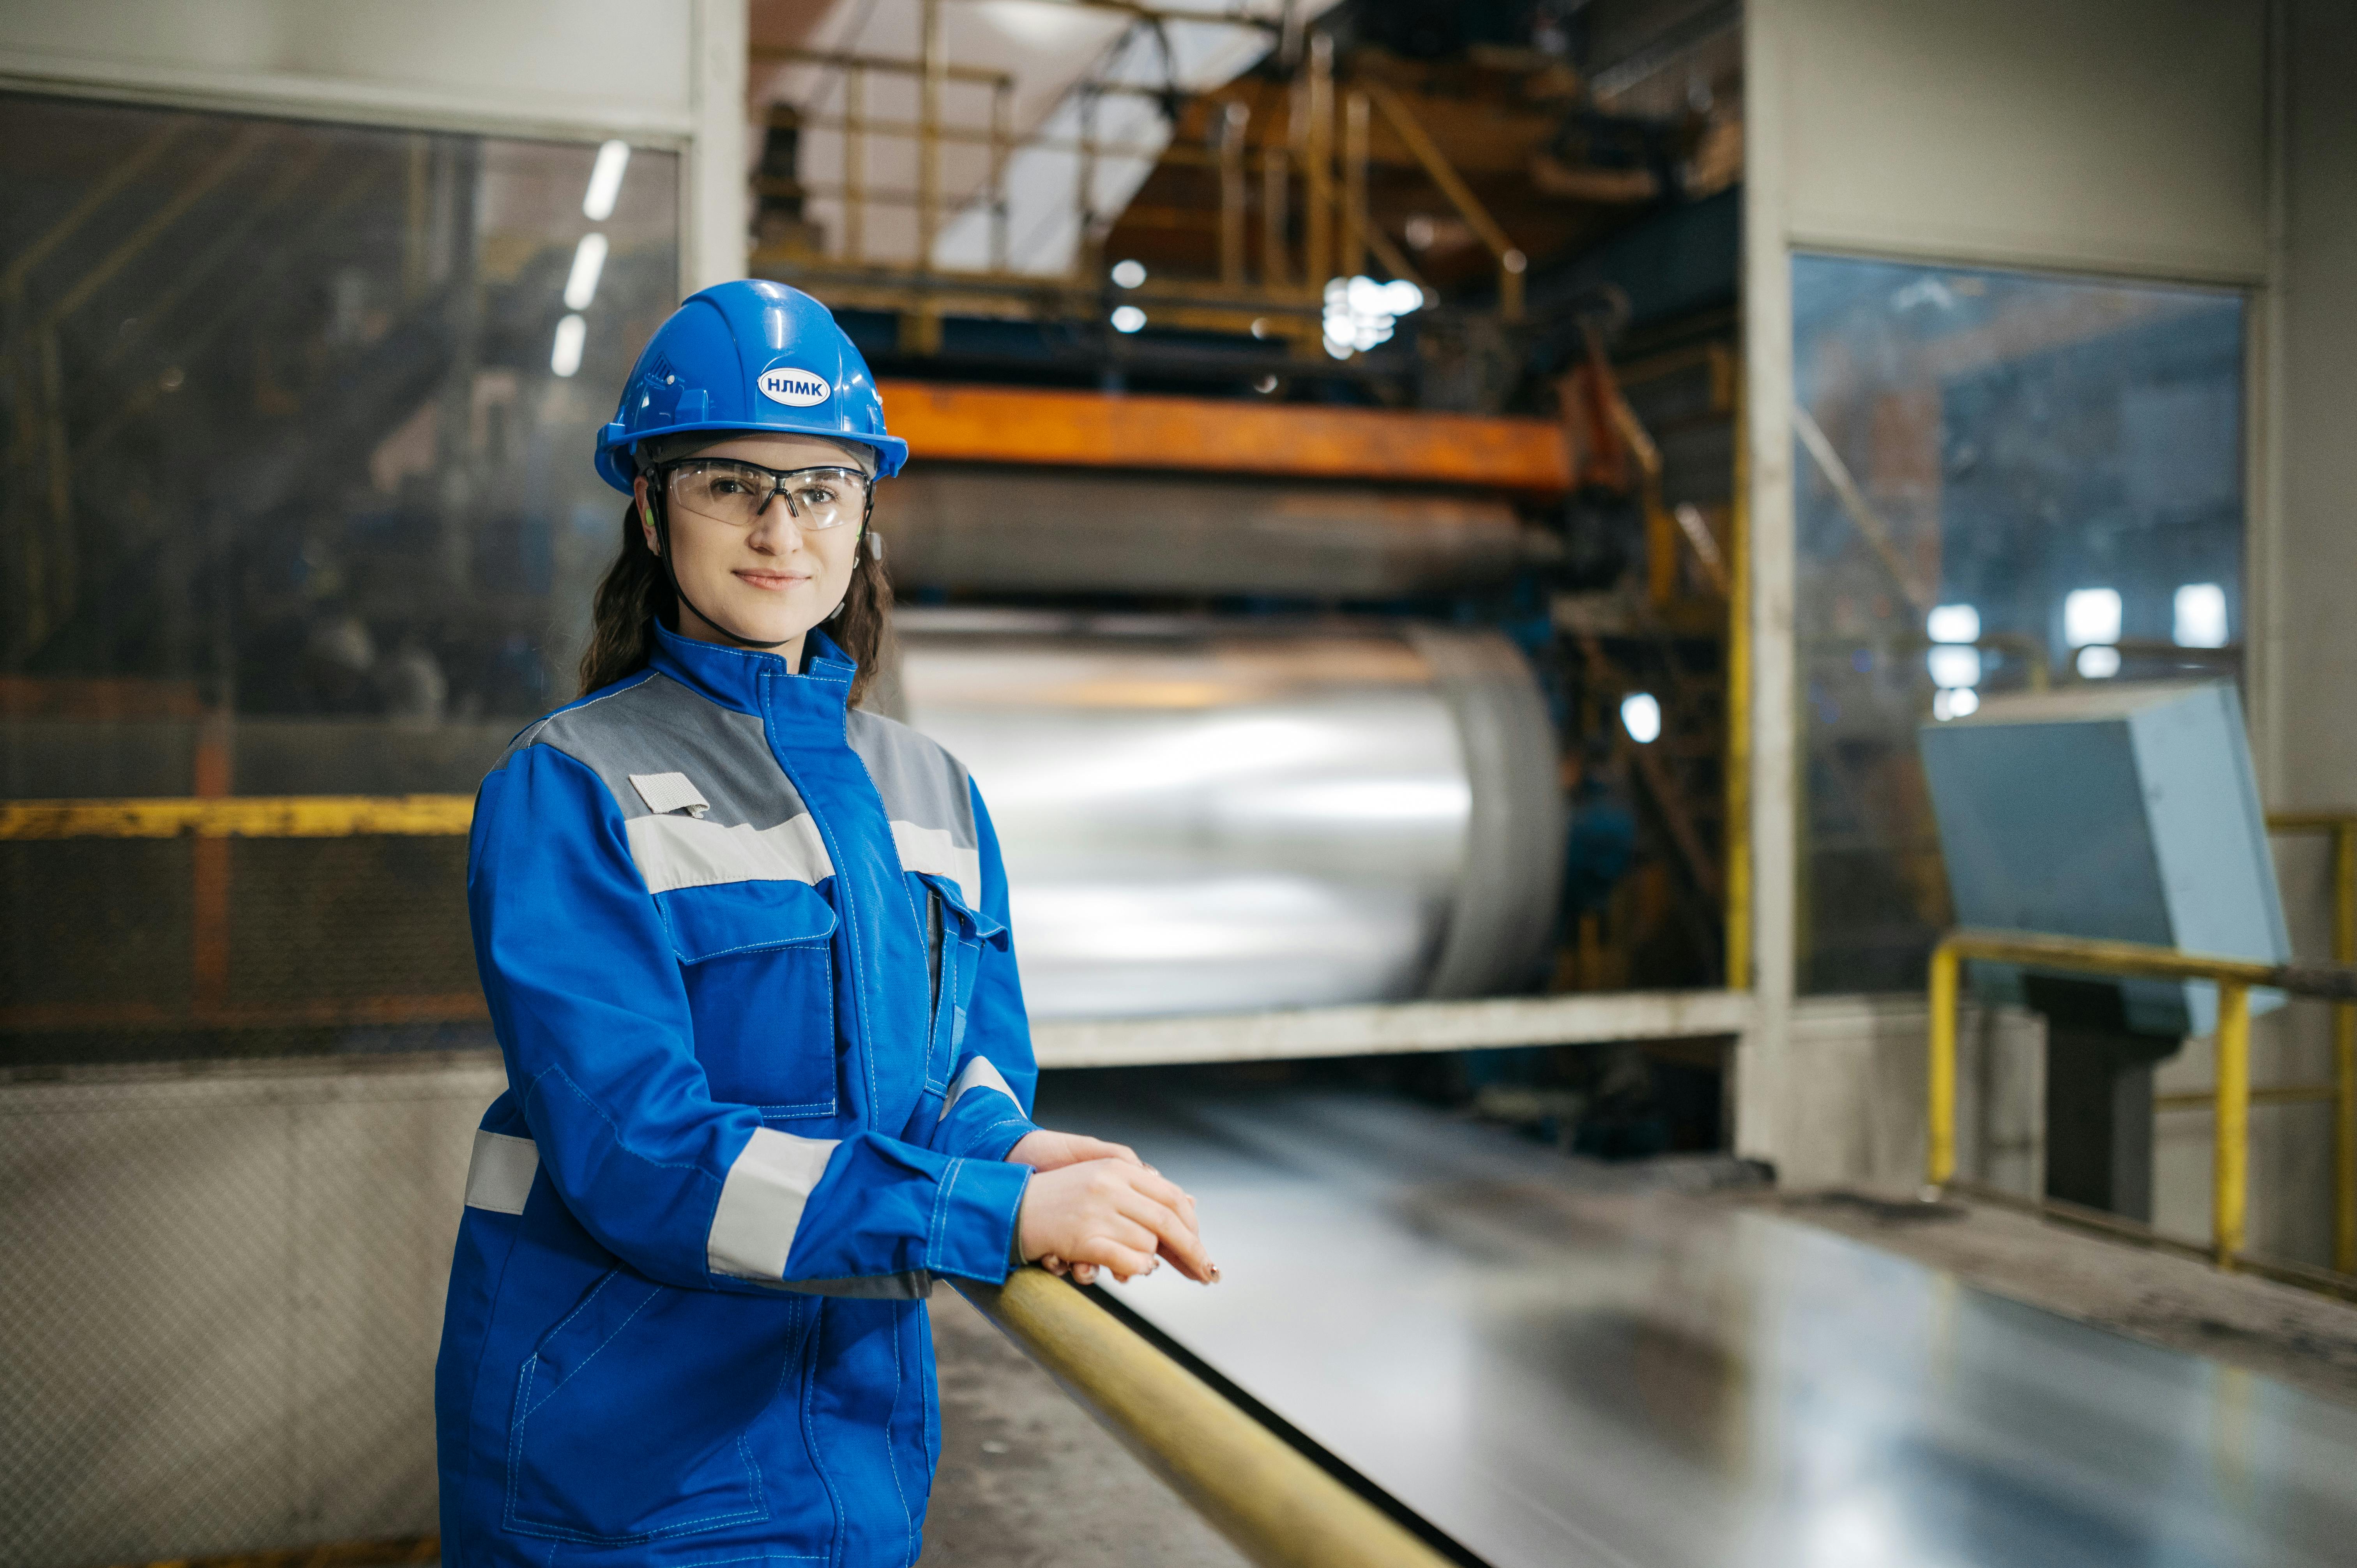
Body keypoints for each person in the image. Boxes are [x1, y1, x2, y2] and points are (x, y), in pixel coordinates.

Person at [434, 279, 1215, 1568]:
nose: (780, 528)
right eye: (732, 483)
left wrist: (1007, 1150)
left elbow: (954, 1069)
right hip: (626, 1476)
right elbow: (642, 1152)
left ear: (862, 514)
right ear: (648, 502)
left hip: (858, 1451)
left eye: (822, 489)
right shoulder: (570, 786)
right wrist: (981, 1218)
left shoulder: (932, 790)